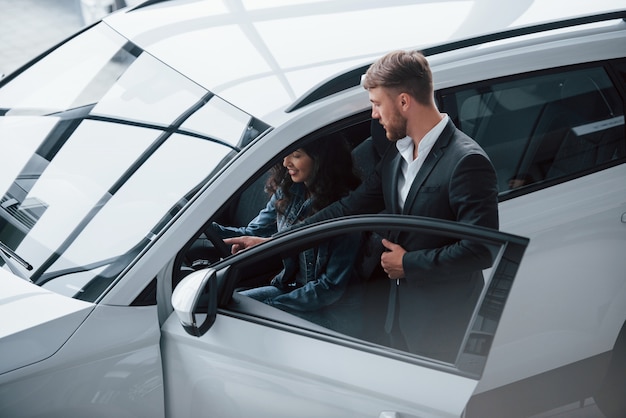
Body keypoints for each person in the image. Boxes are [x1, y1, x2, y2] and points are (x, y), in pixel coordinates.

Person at [227, 50, 499, 362]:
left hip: (441, 321)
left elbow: (483, 250)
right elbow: (344, 210)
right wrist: (272, 244)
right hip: (396, 312)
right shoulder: (396, 156)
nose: (373, 115)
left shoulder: (467, 162)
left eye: (377, 104)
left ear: (404, 102)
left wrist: (408, 263)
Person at [216, 133, 363, 333]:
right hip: (290, 289)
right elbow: (252, 232)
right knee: (223, 308)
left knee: (240, 321)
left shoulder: (345, 207)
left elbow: (329, 288)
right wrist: (203, 228)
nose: (286, 162)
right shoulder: (289, 190)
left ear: (321, 159)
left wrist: (272, 305)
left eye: (296, 155)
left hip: (329, 312)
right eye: (286, 154)